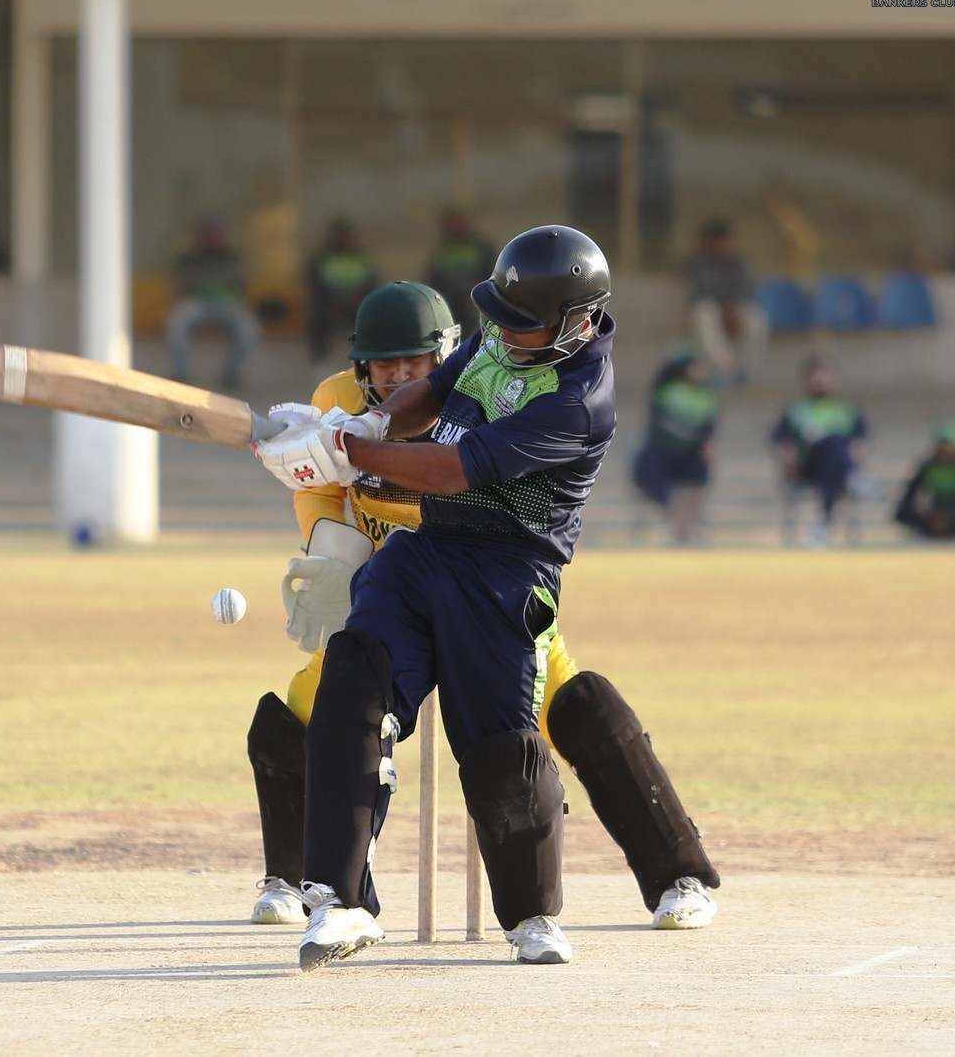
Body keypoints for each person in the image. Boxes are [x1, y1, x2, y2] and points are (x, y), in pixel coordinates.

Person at [256, 226, 720, 972]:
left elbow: (453, 468)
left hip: (506, 572)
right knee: (354, 677)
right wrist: (366, 423)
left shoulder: (578, 402)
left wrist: (346, 451)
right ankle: (339, 903)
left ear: (573, 323)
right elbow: (436, 392)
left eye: (519, 321)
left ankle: (534, 918)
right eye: (496, 316)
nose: (500, 332)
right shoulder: (503, 332)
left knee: (502, 745)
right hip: (429, 547)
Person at [247, 280, 581, 926]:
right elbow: (320, 494)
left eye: (416, 361)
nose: (400, 375)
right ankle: (299, 881)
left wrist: (354, 457)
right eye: (385, 363)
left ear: (446, 357)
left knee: (564, 718)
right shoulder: (337, 401)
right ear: (361, 366)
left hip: (488, 595)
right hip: (385, 599)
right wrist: (331, 555)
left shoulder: (485, 396)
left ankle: (672, 871)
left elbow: (483, 489)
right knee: (303, 714)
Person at [771, 357, 869, 546]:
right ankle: (854, 477)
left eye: (824, 378)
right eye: (815, 379)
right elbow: (781, 439)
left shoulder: (846, 410)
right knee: (827, 439)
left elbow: (860, 439)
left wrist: (856, 455)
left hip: (834, 466)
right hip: (807, 464)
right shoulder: (797, 410)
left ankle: (823, 523)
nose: (820, 383)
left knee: (832, 450)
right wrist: (789, 457)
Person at [631, 344, 720, 545]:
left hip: (690, 454)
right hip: (662, 453)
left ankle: (683, 528)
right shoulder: (666, 390)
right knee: (651, 473)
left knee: (698, 477)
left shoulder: (704, 396)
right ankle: (676, 524)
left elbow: (709, 430)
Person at [165, 218, 259, 390]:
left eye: (216, 233)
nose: (213, 237)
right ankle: (181, 373)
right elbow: (177, 284)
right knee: (176, 322)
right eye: (209, 233)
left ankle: (231, 375)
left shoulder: (231, 257)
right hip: (196, 302)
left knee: (248, 328)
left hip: (227, 303)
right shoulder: (190, 258)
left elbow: (242, 285)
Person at [684, 218, 767, 386]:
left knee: (757, 320)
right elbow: (703, 291)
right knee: (703, 314)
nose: (722, 245)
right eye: (718, 241)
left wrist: (733, 308)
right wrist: (724, 310)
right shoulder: (700, 263)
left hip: (736, 307)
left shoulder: (740, 262)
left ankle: (745, 371)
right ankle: (726, 366)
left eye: (725, 241)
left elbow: (745, 289)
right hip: (712, 307)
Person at [305, 218, 378, 366]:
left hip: (357, 305)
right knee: (318, 321)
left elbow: (370, 282)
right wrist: (329, 305)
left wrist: (361, 302)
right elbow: (316, 285)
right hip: (330, 305)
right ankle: (320, 361)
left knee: (373, 321)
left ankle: (369, 359)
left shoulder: (360, 257)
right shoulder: (322, 258)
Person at [894, 419, 955, 540]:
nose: (946, 454)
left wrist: (951, 518)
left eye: (950, 449)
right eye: (942, 449)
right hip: (933, 517)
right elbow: (906, 503)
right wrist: (929, 517)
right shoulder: (927, 467)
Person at [425, 208, 495, 334]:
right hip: (452, 309)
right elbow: (434, 283)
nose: (455, 228)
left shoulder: (480, 248)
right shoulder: (442, 253)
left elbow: (492, 274)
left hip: (478, 304)